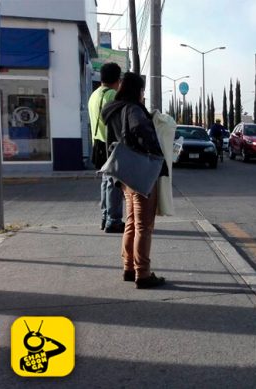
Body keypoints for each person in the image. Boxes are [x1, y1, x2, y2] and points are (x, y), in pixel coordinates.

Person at [101, 72, 168, 289]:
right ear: (136, 91)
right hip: (140, 171)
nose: (142, 95)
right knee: (144, 226)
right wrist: (156, 153)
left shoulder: (112, 110)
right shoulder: (132, 109)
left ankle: (129, 268)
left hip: (124, 173)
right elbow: (139, 127)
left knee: (131, 222)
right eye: (141, 90)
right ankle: (143, 273)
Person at [89, 62, 124, 233]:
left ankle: (105, 217)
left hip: (97, 143)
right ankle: (114, 220)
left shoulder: (94, 95)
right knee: (113, 183)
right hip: (109, 143)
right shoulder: (111, 95)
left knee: (105, 182)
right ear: (117, 79)